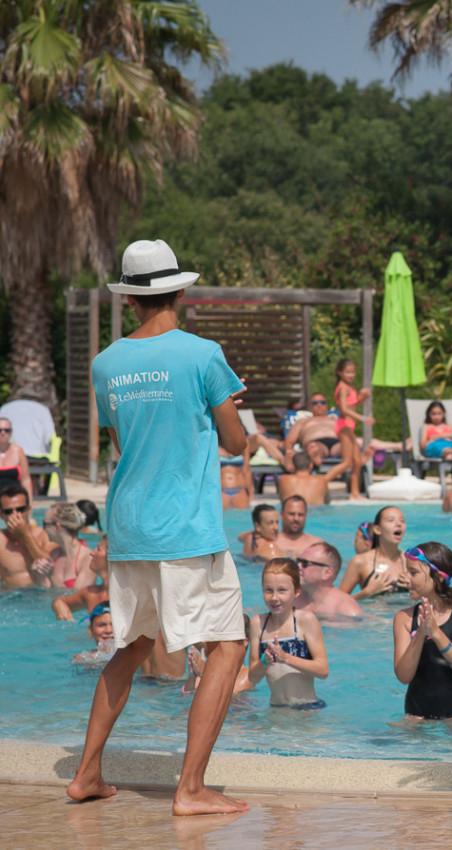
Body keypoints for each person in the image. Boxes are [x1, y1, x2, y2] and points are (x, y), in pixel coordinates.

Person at [69, 238, 250, 816]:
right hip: (185, 530)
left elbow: (122, 441)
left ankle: (87, 774)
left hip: (128, 528)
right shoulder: (203, 354)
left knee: (131, 647)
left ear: (130, 299)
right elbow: (236, 441)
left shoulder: (106, 363)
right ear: (180, 290)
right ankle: (191, 789)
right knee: (228, 646)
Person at [393, 542, 452, 720]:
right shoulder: (404, 618)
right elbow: (403, 676)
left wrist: (436, 633)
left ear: (438, 577)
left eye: (413, 573)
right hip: (417, 716)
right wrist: (420, 635)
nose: (406, 578)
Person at [248, 559, 329, 709]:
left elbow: (323, 670)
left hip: (307, 709)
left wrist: (286, 658)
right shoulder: (258, 623)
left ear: (296, 592)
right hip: (276, 710)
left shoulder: (305, 620)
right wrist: (264, 662)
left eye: (282, 590)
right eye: (268, 590)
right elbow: (253, 677)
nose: (274, 597)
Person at [281, 394, 363, 499]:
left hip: (337, 442)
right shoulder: (303, 421)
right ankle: (316, 467)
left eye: (323, 402)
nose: (319, 405)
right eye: (315, 403)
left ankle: (354, 490)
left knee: (352, 450)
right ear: (310, 407)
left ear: (327, 405)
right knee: (314, 449)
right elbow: (289, 441)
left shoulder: (335, 420)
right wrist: (289, 452)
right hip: (316, 442)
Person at [340, 506, 410, 600]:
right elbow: (338, 602)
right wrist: (367, 592)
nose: (399, 524)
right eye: (391, 520)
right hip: (373, 614)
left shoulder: (410, 561)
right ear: (377, 529)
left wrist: (418, 588)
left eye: (402, 521)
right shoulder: (360, 562)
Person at [295, 541, 363, 621]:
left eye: (305, 564)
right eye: (297, 561)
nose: (297, 566)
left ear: (327, 573)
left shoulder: (346, 611)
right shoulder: (291, 598)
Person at [1, 482, 51, 588]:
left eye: (20, 509)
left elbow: (50, 565)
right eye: (8, 511)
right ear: (1, 514)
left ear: (28, 510)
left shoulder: (43, 534)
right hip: (12, 599)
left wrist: (25, 535)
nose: (15, 515)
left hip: (39, 597)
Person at [42, 502, 94, 588]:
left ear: (57, 526)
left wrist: (51, 576)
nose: (43, 529)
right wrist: (39, 575)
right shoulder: (53, 554)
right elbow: (44, 594)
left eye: (45, 524)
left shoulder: (87, 559)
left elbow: (78, 598)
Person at [278, 448, 349, 506]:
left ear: (294, 466)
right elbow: (327, 503)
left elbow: (282, 501)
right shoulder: (321, 480)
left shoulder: (283, 479)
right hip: (316, 512)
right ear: (311, 465)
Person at [0, 416, 33, 501]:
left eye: (6, 430)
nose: (3, 433)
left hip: (14, 501)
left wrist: (29, 502)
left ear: (11, 433)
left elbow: (26, 479)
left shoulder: (18, 451)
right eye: (0, 430)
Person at [74, 603, 117, 667]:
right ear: (91, 631)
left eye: (114, 624)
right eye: (102, 625)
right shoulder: (83, 659)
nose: (109, 630)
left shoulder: (132, 655)